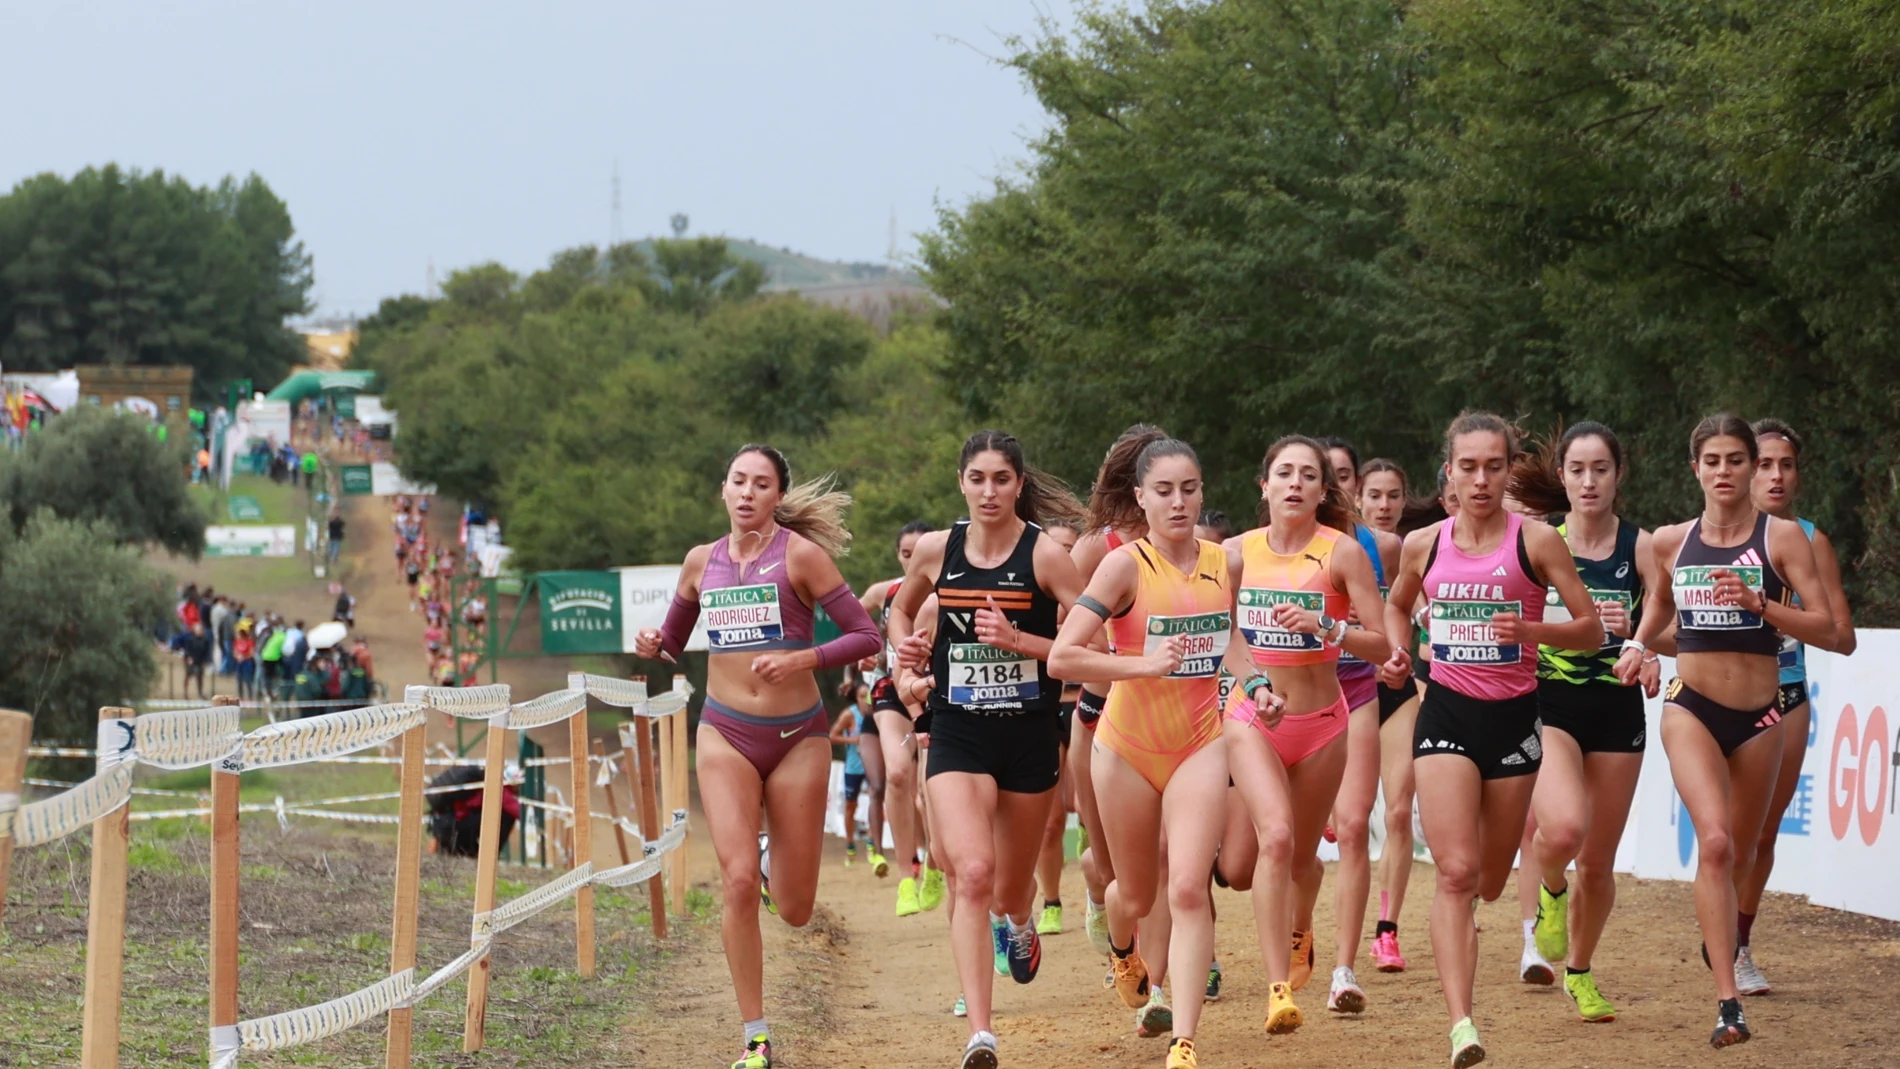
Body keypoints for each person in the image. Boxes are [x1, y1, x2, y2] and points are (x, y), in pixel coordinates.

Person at [631, 444, 880, 1069]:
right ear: (723, 490)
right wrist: (653, 644)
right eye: (738, 481)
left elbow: (866, 636)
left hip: (799, 737)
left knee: (795, 911)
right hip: (724, 732)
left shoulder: (801, 556)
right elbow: (674, 644)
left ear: (777, 496)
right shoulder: (699, 562)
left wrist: (802, 657)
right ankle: (756, 1035)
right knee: (736, 880)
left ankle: (773, 861)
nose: (747, 493)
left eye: (761, 484)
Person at [1378, 411, 1604, 1068]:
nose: (1480, 479)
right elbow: (1396, 603)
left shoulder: (1536, 542)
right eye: (1468, 466)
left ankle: (1547, 889)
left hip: (1513, 721)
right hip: (1445, 714)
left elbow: (1589, 628)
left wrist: (1529, 632)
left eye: (1493, 466)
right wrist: (1401, 650)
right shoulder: (1424, 543)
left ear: (1508, 472)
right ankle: (1462, 1024)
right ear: (1449, 472)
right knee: (1455, 872)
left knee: (1494, 879)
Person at [1616, 414, 1834, 1048]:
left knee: (1738, 852)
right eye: (1712, 460)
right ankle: (1728, 1003)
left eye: (1736, 460)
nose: (1725, 472)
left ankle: (1728, 947)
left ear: (1752, 466)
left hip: (1764, 714)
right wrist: (1637, 644)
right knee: (1713, 843)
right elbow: (1658, 602)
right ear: (1695, 468)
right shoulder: (1671, 540)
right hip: (1692, 707)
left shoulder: (1785, 538)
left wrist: (1760, 604)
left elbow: (1828, 630)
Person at [886, 430, 1087, 1069]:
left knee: (1009, 890)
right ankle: (981, 1031)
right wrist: (907, 654)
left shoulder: (1047, 556)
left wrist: (1020, 640)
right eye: (978, 478)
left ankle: (1022, 923)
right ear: (961, 482)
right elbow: (899, 613)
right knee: (970, 873)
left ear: (1019, 484)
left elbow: (1093, 640)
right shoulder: (935, 550)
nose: (989, 490)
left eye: (1002, 478)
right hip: (958, 730)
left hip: (1028, 736)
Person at [1049, 436, 1231, 1069]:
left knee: (1186, 886)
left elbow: (1231, 644)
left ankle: (1183, 1037)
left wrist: (1257, 685)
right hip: (1124, 747)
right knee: (1137, 889)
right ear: (1141, 499)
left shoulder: (1220, 562)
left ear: (1202, 492)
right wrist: (1139, 664)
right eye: (1164, 491)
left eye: (1189, 489)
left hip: (1201, 743)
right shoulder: (1124, 565)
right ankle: (1120, 941)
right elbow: (1062, 656)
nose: (1178, 502)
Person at [1222, 436, 1391, 1029]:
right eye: (1283, 473)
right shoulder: (1235, 554)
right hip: (1253, 718)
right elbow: (1226, 635)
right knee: (1256, 854)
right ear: (1263, 486)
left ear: (1324, 490)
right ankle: (1278, 991)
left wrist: (1329, 627)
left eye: (1308, 475)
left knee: (1295, 856)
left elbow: (1383, 642)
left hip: (1322, 724)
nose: (1295, 483)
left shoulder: (1342, 554)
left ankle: (1301, 924)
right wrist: (1256, 685)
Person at [1505, 422, 1661, 1021]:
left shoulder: (1641, 547)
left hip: (1618, 708)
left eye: (1601, 469)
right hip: (1551, 702)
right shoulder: (1540, 542)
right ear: (1563, 477)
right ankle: (1548, 891)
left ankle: (1581, 972)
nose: (1589, 481)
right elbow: (1508, 620)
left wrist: (1641, 645)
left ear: (1619, 475)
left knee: (1597, 862)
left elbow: (1667, 626)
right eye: (1577, 470)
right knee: (1563, 830)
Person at [1733, 418, 1856, 995]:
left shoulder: (1810, 540)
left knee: (1760, 835)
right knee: (1723, 834)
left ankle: (1737, 946)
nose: (1775, 475)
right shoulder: (1702, 537)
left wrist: (1766, 609)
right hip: (1715, 696)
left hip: (1785, 691)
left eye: (1786, 464)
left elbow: (1841, 637)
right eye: (1763, 464)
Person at [1316, 437, 1405, 1006]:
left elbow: (1391, 611)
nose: (1343, 488)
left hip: (1366, 686)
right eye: (1337, 478)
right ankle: (1299, 939)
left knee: (1364, 823)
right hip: (1301, 697)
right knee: (1291, 845)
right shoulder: (1274, 549)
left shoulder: (1382, 546)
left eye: (1347, 475)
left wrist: (1396, 652)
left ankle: (1350, 964)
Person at [858, 521, 943, 915]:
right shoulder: (885, 592)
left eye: (919, 553)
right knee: (896, 774)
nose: (913, 560)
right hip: (891, 690)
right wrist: (865, 650)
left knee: (929, 791)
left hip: (936, 693)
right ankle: (905, 879)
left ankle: (935, 865)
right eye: (906, 554)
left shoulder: (950, 590)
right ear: (898, 556)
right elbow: (853, 620)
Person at [1358, 458, 1421, 971]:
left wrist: (1402, 659)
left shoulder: (1404, 549)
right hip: (1342, 693)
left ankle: (1387, 931)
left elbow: (1410, 610)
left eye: (1393, 495)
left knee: (1399, 810)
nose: (1384, 506)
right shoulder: (1330, 549)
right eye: (1375, 495)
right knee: (1349, 821)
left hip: (1397, 689)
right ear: (1357, 498)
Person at [1032, 520, 1083, 938]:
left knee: (1085, 807)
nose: (1062, 555)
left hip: (1088, 706)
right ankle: (1051, 900)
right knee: (1051, 821)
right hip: (1047, 710)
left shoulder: (1092, 595)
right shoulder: (1032, 599)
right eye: (1056, 547)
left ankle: (1100, 884)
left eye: (1070, 547)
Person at [829, 686, 873, 865]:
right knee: (850, 806)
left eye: (867, 696)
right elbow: (832, 735)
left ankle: (872, 844)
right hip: (853, 767)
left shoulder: (876, 713)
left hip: (872, 766)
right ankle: (850, 845)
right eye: (862, 696)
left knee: (874, 802)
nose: (865, 700)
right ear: (856, 698)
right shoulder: (850, 714)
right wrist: (853, 740)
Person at [182, 621, 213, 700]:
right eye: (198, 630)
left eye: (201, 630)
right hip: (190, 662)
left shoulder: (205, 641)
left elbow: (207, 652)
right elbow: (187, 651)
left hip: (199, 662)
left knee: (199, 678)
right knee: (187, 677)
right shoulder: (190, 640)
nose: (199, 631)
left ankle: (200, 694)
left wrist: (206, 661)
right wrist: (188, 658)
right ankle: (185, 693)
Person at [233, 620, 257, 701]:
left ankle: (250, 697)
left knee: (248, 681)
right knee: (239, 680)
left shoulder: (249, 642)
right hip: (239, 663)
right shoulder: (237, 642)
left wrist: (244, 657)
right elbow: (235, 652)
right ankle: (241, 697)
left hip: (247, 663)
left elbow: (252, 653)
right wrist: (238, 657)